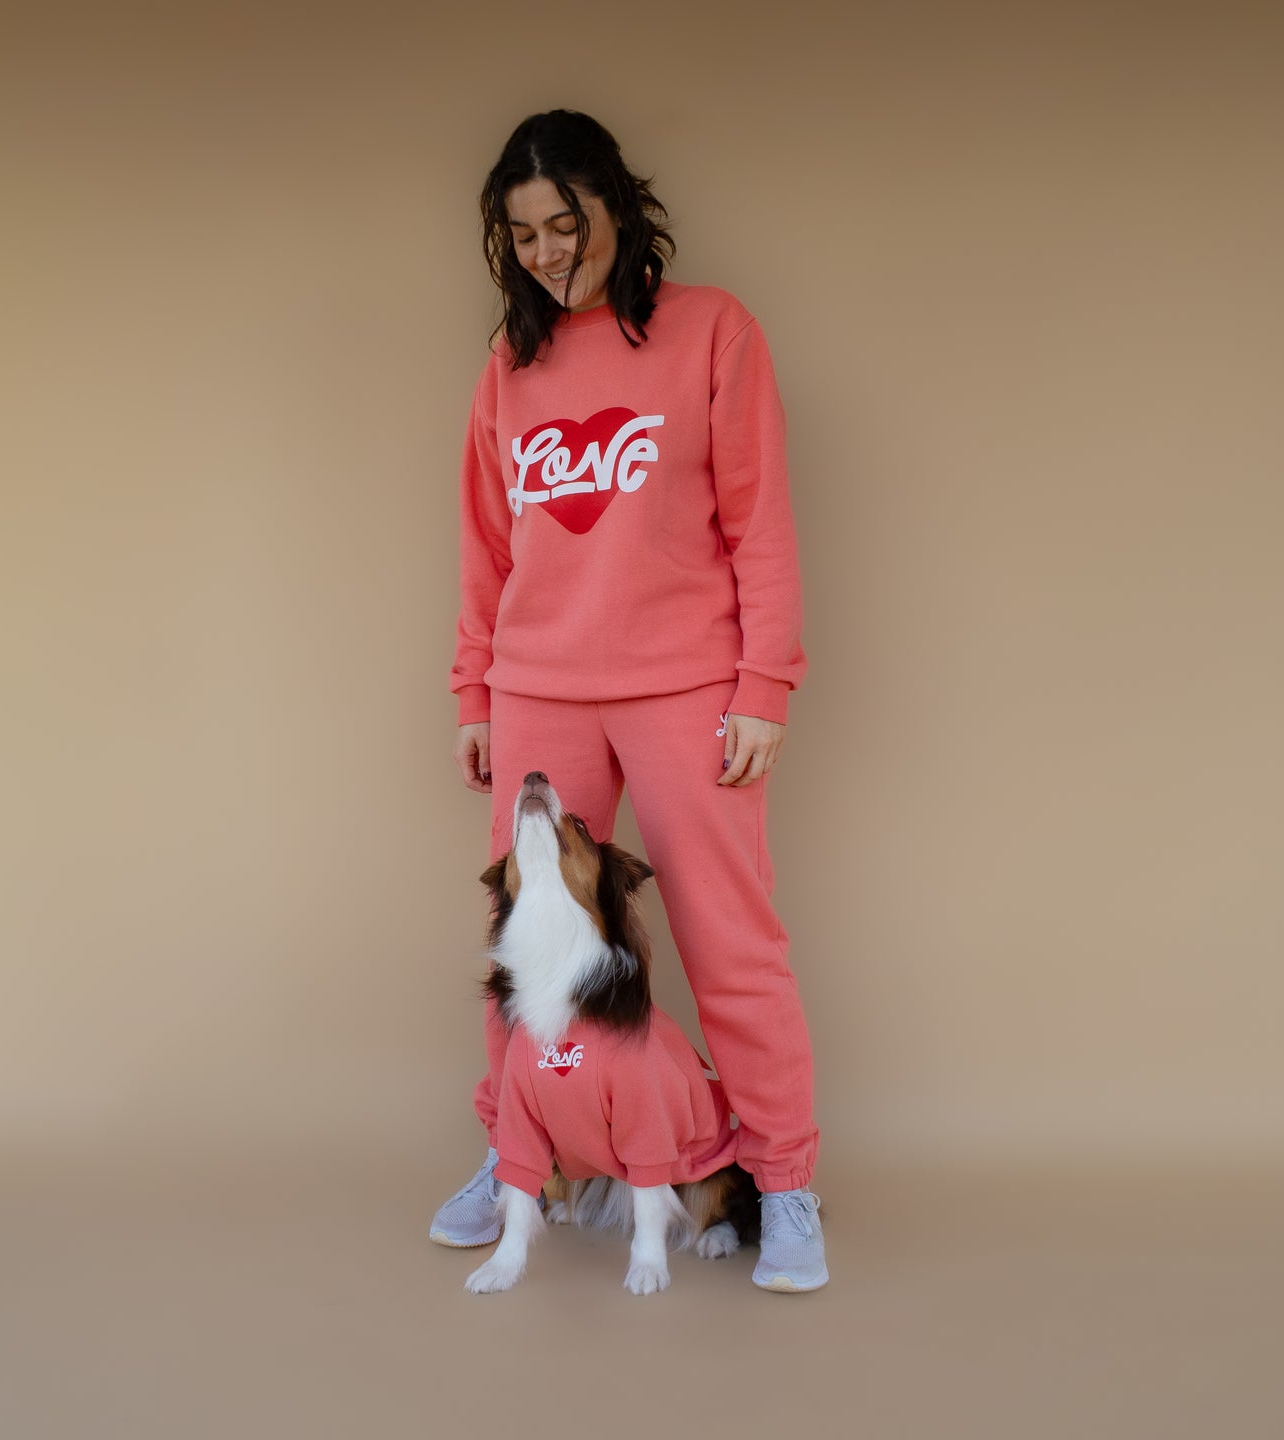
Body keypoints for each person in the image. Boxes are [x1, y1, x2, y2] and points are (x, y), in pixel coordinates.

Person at [430, 110, 826, 1292]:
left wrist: (763, 685)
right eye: (524, 236)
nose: (549, 252)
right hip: (538, 686)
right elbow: (485, 544)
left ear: (614, 205)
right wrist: (475, 690)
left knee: (729, 941)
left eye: (566, 224)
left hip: (685, 684)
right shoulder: (510, 367)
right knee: (528, 941)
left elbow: (760, 523)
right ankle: (519, 1162)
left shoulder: (712, 332)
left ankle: (784, 1182)